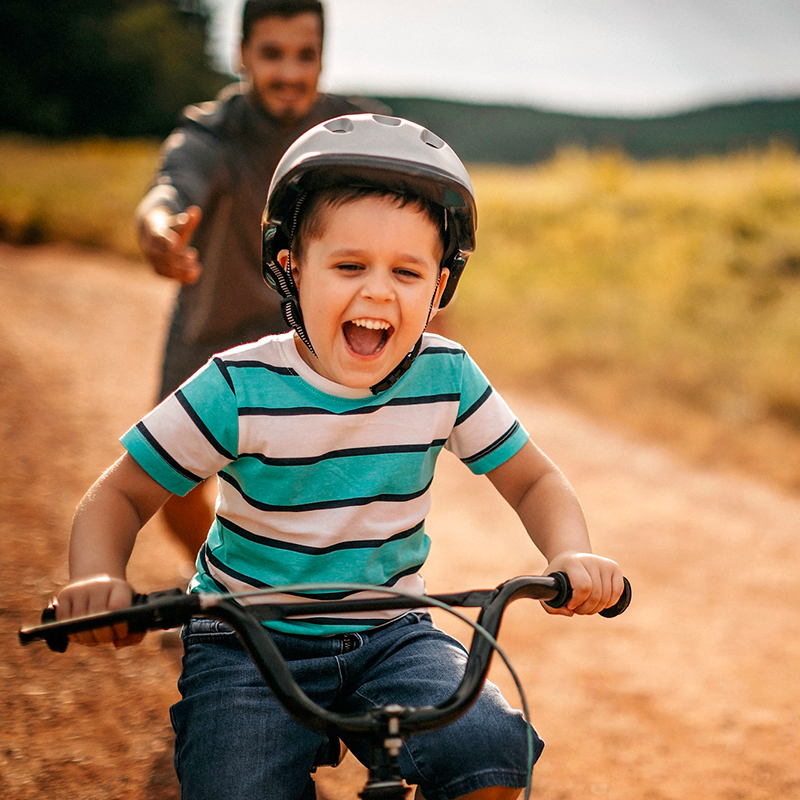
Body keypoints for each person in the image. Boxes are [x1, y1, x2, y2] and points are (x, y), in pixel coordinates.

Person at [56, 114, 625, 800]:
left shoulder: (445, 376)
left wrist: (570, 552)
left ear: (440, 288)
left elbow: (534, 480)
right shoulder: (239, 386)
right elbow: (119, 495)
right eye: (349, 265)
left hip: (393, 631)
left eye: (407, 272)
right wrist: (97, 574)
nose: (378, 291)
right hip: (249, 640)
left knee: (489, 752)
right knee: (234, 789)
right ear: (291, 268)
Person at [136, 0, 367, 558]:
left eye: (305, 55)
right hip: (212, 333)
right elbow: (171, 187)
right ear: (242, 55)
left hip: (315, 340)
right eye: (272, 54)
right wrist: (158, 230)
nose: (289, 73)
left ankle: (302, 613)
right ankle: (226, 593)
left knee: (324, 494)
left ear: (321, 59)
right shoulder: (212, 134)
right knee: (176, 489)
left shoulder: (354, 132)